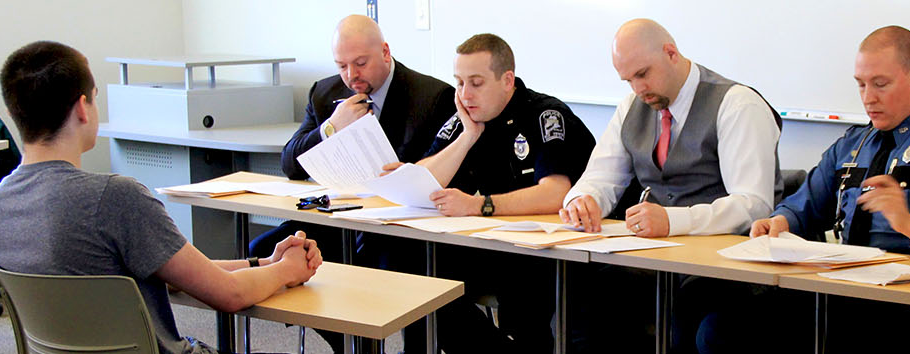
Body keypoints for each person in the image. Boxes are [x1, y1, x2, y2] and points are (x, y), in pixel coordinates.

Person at [0, 40, 322, 354]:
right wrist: (287, 271)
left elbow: (171, 271)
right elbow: (228, 295)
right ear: (82, 109)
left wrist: (263, 264)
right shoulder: (115, 198)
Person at [734, 25, 910, 354]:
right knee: (726, 328)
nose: (868, 97)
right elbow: (804, 205)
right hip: (846, 292)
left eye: (880, 84)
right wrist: (780, 221)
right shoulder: (854, 142)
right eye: (861, 85)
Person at [558, 18, 784, 353]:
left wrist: (674, 220)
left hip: (722, 266)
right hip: (655, 261)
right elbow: (600, 177)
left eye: (643, 74)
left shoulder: (737, 104)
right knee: (576, 294)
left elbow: (753, 204)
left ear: (671, 53)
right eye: (628, 79)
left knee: (690, 314)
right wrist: (583, 199)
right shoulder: (631, 107)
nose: (637, 88)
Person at [248, 14, 456, 353]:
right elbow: (290, 163)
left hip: (399, 230)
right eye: (342, 65)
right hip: (339, 218)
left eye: (361, 63)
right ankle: (349, 343)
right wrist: (331, 127)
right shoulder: (325, 92)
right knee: (265, 250)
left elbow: (441, 174)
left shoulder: (431, 96)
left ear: (386, 53)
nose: (351, 76)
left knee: (404, 271)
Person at [378, 33, 595, 353]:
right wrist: (467, 137)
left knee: (522, 279)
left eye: (476, 83)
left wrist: (481, 205)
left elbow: (555, 192)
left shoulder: (545, 115)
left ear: (507, 80)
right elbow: (423, 182)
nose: (465, 94)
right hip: (490, 242)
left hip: (547, 250)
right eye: (459, 82)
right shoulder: (466, 117)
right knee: (410, 267)